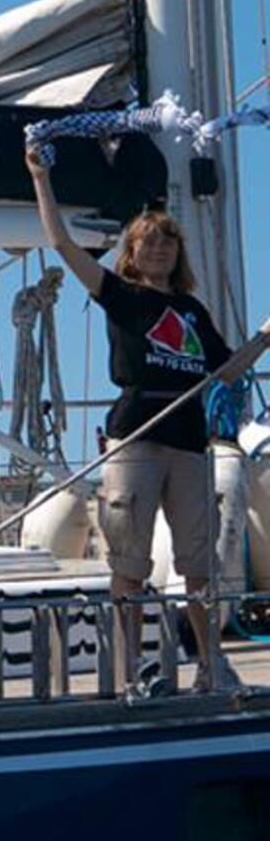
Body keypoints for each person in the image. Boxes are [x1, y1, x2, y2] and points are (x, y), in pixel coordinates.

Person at [27, 149, 266, 694]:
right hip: (135, 434)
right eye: (147, 241)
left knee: (199, 564)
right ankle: (127, 671)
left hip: (187, 439)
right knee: (129, 562)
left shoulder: (192, 312)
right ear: (131, 252)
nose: (158, 248)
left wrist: (264, 339)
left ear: (178, 251)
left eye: (167, 240)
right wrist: (41, 178)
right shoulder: (121, 297)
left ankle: (211, 667)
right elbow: (63, 244)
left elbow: (224, 369)